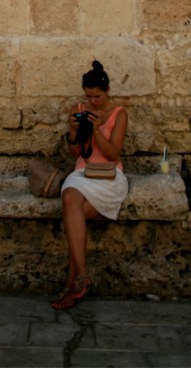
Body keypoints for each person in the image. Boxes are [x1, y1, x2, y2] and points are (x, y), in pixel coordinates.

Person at [52, 59, 128, 310]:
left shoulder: (119, 114)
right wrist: (74, 130)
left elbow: (112, 155)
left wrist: (97, 131)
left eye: (97, 96)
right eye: (88, 96)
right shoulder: (79, 108)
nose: (92, 101)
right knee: (69, 197)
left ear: (107, 91)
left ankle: (72, 283)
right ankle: (82, 278)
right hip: (83, 172)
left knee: (74, 220)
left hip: (108, 176)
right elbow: (76, 153)